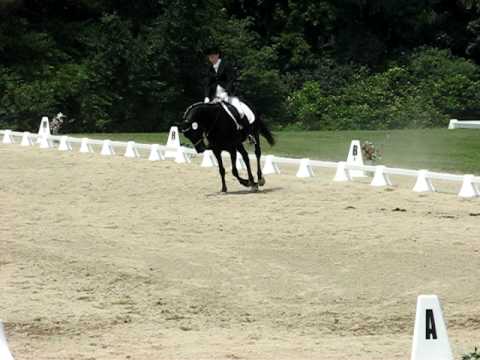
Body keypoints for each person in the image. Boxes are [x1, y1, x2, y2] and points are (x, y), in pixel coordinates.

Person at [203, 46, 255, 142]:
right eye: (209, 57)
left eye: (212, 56)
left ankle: (248, 133)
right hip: (214, 96)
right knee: (205, 113)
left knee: (240, 111)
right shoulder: (209, 68)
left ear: (217, 55)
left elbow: (231, 80)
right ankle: (208, 135)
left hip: (228, 95)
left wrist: (226, 92)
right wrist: (206, 96)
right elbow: (207, 84)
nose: (211, 59)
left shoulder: (226, 65)